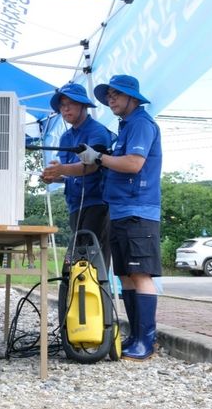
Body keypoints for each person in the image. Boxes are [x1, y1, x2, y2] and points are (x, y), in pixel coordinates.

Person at [76, 74, 162, 361]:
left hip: (139, 210)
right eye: (108, 95)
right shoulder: (126, 125)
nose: (110, 99)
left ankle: (146, 342)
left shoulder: (140, 123)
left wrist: (98, 158)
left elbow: (133, 164)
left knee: (140, 275)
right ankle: (135, 336)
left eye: (116, 94)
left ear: (132, 97)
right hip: (122, 209)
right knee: (124, 275)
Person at [41, 82, 115, 269]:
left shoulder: (97, 131)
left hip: (97, 203)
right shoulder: (66, 137)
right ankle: (75, 297)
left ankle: (95, 297)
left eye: (70, 103)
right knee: (76, 261)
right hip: (75, 204)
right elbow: (67, 174)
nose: (65, 109)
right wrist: (53, 176)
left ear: (83, 105)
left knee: (90, 259)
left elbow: (92, 166)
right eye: (61, 105)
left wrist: (62, 169)